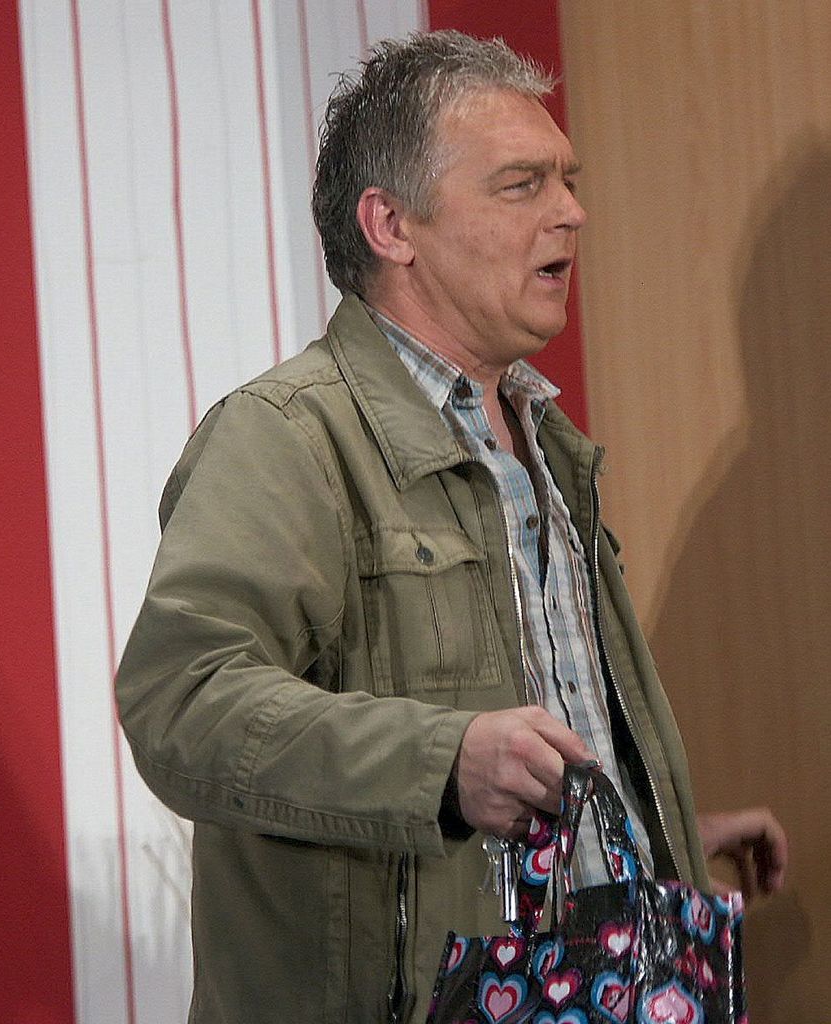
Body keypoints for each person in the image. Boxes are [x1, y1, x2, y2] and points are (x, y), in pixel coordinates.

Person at [116, 30, 787, 1024]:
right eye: (521, 185)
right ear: (391, 225)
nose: (571, 211)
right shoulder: (286, 436)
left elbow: (532, 726)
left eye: (566, 180)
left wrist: (655, 835)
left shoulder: (548, 441)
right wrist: (442, 763)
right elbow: (181, 702)